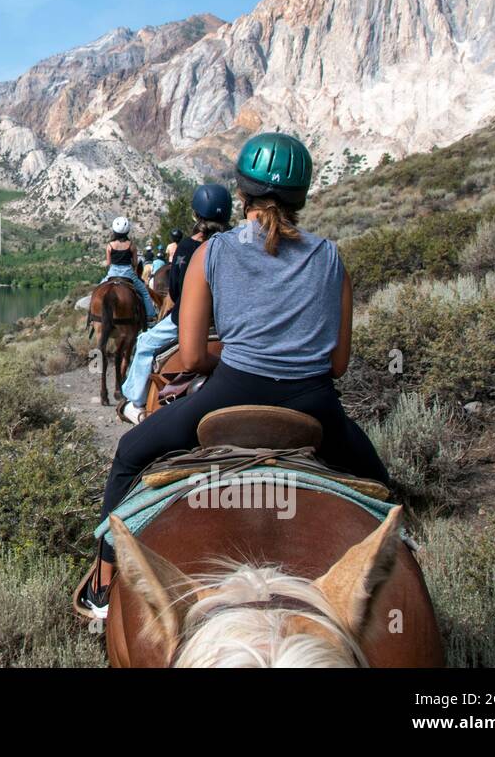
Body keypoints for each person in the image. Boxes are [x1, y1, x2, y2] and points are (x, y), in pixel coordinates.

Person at [77, 132, 390, 619]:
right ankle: (404, 554)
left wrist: (242, 351)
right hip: (316, 405)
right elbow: (337, 364)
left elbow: (195, 354)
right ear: (301, 198)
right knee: (382, 489)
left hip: (230, 393)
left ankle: (103, 585)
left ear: (241, 193)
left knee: (129, 453)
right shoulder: (330, 257)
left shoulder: (213, 252)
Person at [116, 185, 232, 426]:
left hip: (187, 319)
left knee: (145, 343)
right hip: (228, 319)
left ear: (195, 215)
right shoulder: (236, 244)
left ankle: (134, 402)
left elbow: (177, 292)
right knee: (138, 288)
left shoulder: (187, 248)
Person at [99, 216, 157, 323]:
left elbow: (108, 263)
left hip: (113, 273)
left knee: (98, 290)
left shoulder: (110, 245)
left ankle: (93, 316)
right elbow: (135, 263)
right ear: (127, 231)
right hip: (128, 273)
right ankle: (150, 316)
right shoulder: (131, 245)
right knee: (144, 292)